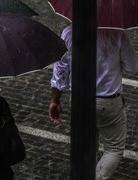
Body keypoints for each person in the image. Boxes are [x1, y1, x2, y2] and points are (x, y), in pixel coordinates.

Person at [49, 24, 138, 180]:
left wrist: (55, 99)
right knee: (114, 149)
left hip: (79, 101)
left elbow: (60, 70)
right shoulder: (117, 33)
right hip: (109, 102)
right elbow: (132, 67)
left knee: (87, 146)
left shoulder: (69, 32)